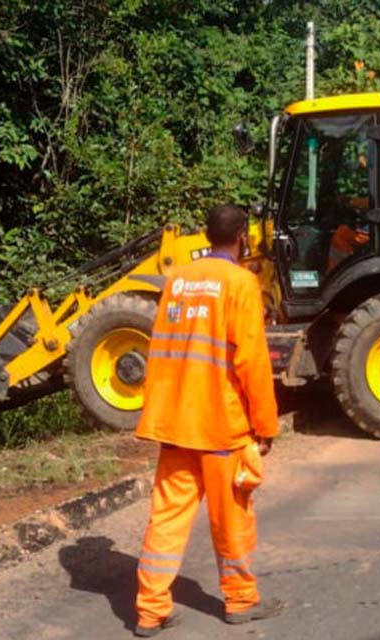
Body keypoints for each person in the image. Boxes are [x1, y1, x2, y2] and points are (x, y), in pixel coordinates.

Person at [132, 204, 282, 636]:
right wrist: (265, 425)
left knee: (166, 518)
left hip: (175, 421)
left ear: (205, 235)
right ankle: (239, 600)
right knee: (231, 518)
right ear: (243, 239)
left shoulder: (178, 278)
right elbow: (252, 361)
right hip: (221, 425)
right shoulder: (240, 283)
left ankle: (150, 610)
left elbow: (163, 346)